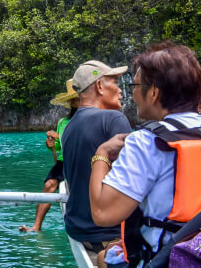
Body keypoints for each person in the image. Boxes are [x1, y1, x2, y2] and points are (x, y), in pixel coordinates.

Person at [89, 43, 201, 267]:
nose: (133, 93)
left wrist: (102, 153)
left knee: (104, 259)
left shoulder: (147, 142)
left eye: (135, 85)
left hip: (164, 260)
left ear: (154, 92)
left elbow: (103, 213)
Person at [61, 60, 131, 263]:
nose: (120, 91)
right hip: (109, 235)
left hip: (79, 230)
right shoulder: (114, 119)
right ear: (100, 86)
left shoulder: (68, 127)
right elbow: (129, 183)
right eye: (115, 83)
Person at [19, 79, 79, 232]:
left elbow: (81, 140)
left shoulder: (90, 119)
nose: (78, 101)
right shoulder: (63, 122)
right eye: (75, 99)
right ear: (71, 102)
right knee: (48, 185)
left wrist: (59, 136)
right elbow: (59, 147)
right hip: (64, 161)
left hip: (82, 161)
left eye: (80, 97)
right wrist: (51, 144)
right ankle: (36, 227)